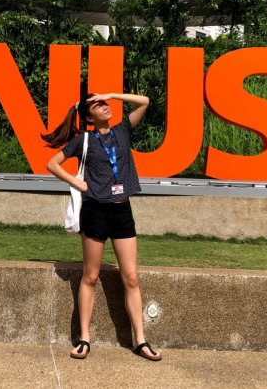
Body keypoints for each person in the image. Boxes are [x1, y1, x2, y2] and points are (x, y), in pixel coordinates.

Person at [42, 92, 162, 362]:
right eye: (97, 104)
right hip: (95, 212)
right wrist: (78, 183)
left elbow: (144, 101)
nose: (105, 106)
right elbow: (52, 164)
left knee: (130, 277)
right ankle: (84, 338)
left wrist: (112, 94)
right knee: (91, 276)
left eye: (105, 102)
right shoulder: (84, 140)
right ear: (88, 117)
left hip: (122, 211)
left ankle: (140, 341)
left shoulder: (122, 130)